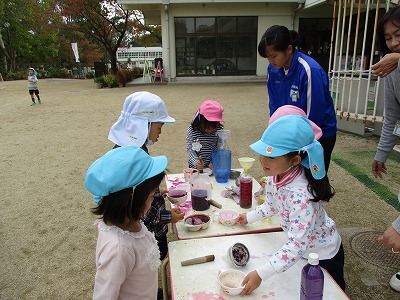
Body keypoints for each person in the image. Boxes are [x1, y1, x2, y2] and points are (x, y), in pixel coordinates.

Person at [237, 115, 345, 295]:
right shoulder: (276, 175)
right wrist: (248, 218)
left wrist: (261, 273)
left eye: (271, 157)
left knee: (329, 293)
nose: (263, 160)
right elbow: (271, 206)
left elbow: (297, 244)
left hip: (323, 255)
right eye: (263, 153)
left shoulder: (301, 197)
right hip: (301, 250)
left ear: (295, 160)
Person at [108, 91, 184, 262]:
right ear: (143, 125)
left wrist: (156, 191)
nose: (160, 133)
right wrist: (167, 216)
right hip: (148, 230)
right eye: (159, 127)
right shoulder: (135, 157)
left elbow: (140, 190)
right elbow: (137, 206)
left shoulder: (127, 149)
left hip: (144, 226)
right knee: (153, 257)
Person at [84, 146, 168, 299]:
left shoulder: (131, 221)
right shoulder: (119, 249)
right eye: (150, 196)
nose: (154, 199)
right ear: (132, 199)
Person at [258, 25, 337, 172]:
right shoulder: (273, 69)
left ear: (289, 49)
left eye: (274, 56)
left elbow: (314, 114)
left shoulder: (308, 70)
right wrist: (277, 134)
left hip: (317, 135)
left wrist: (297, 144)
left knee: (313, 179)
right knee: (289, 175)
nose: (270, 61)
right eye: (267, 57)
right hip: (291, 134)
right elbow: (274, 105)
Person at [371, 5, 400, 293]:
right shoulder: (392, 70)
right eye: (389, 38)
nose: (393, 43)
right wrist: (381, 153)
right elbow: (391, 116)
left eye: (399, 34)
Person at [186, 100, 224, 170]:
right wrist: (196, 162)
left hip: (213, 166)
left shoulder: (218, 130)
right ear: (200, 121)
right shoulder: (192, 129)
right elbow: (190, 149)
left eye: (214, 127)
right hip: (196, 167)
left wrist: (215, 160)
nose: (211, 131)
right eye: (208, 127)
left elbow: (220, 147)